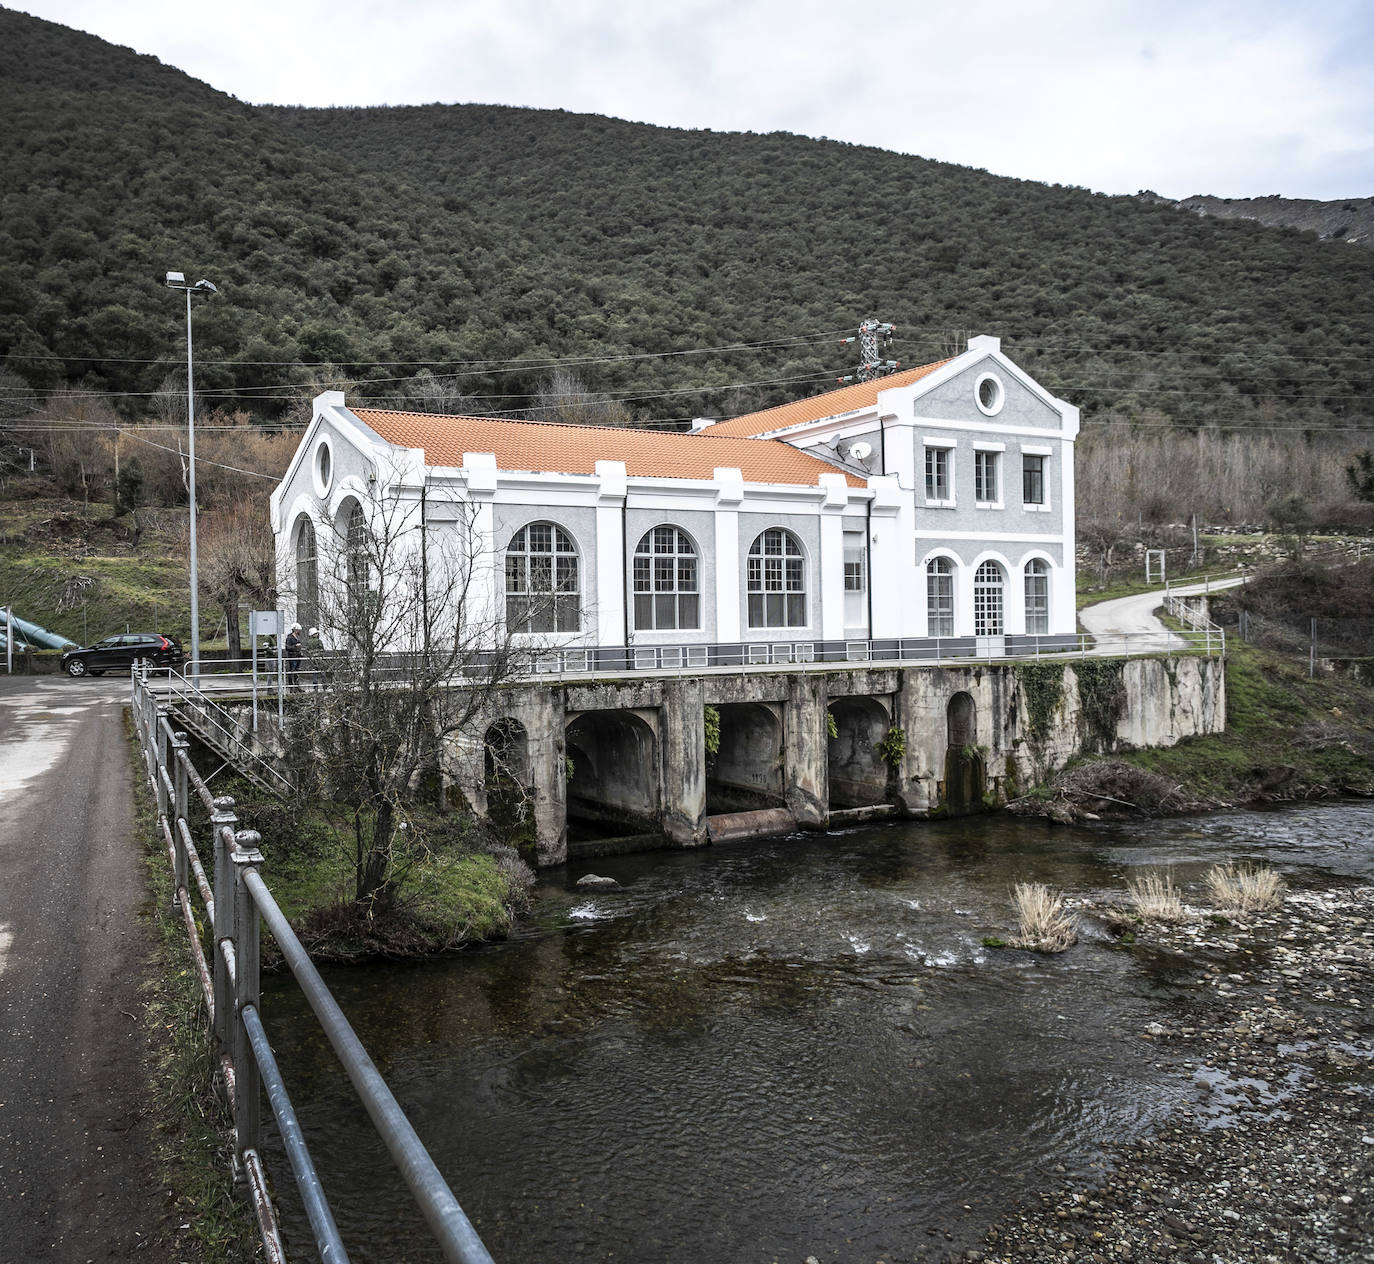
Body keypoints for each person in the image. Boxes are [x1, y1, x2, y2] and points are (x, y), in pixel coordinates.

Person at [285, 622, 302, 688]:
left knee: (297, 671)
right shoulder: (289, 638)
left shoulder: (296, 638)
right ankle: (291, 686)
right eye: (298, 630)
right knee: (292, 671)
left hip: (297, 657)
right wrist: (295, 646)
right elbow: (287, 647)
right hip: (292, 657)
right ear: (295, 630)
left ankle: (297, 686)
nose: (299, 631)